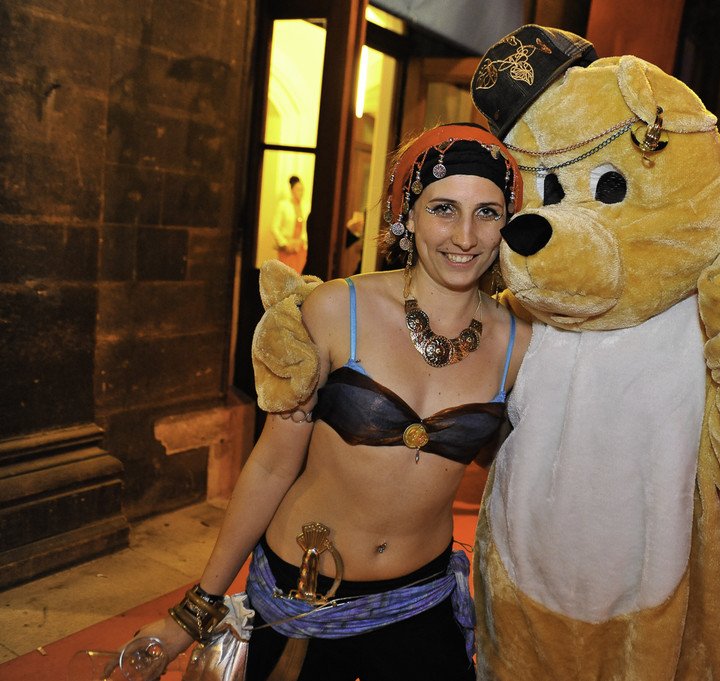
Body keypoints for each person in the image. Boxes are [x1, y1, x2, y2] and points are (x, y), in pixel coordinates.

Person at [127, 123, 530, 680]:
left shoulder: (520, 344)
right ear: (407, 217)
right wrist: (198, 606)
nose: (465, 236)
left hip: (422, 600)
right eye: (443, 209)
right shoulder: (339, 310)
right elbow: (272, 465)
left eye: (487, 213)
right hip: (303, 598)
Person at [272, 175, 308, 272]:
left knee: (299, 274)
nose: (300, 192)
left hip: (300, 248)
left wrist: (301, 241)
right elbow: (274, 227)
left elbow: (306, 228)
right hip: (287, 248)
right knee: (286, 273)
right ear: (292, 190)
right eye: (298, 189)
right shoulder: (283, 205)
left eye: (302, 190)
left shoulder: (306, 207)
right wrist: (285, 243)